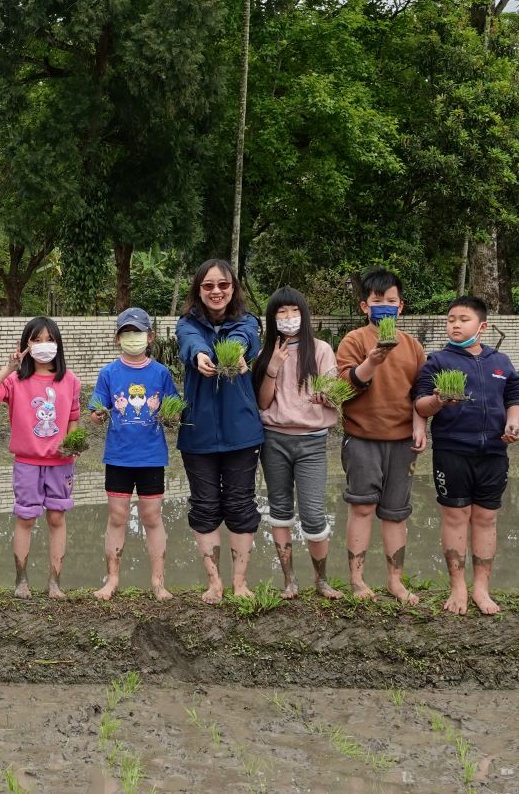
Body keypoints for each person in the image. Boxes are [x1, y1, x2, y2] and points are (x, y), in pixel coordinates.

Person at [413, 296, 519, 616]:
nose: (456, 324)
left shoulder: (500, 362)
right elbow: (420, 405)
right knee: (455, 517)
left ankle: (481, 588)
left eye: (463, 319)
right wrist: (437, 401)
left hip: (493, 451)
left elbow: (516, 401)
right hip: (452, 451)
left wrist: (513, 423)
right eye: (451, 319)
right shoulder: (437, 361)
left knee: (486, 519)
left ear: (482, 326)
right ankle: (457, 586)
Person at [335, 268, 428, 603]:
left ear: (401, 306)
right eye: (378, 301)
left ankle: (395, 580)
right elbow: (343, 387)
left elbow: (422, 391)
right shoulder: (354, 341)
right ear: (365, 306)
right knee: (361, 508)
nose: (385, 306)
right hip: (361, 438)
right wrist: (372, 361)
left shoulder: (413, 346)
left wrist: (420, 424)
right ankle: (357, 580)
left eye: (391, 301)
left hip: (402, 441)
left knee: (396, 512)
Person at [175, 259, 265, 604]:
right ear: (198, 290)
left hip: (241, 431)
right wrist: (199, 355)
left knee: (241, 504)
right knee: (204, 505)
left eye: (223, 285)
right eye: (209, 285)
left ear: (233, 289)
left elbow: (247, 338)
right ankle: (215, 582)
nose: (216, 291)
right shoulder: (187, 324)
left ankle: (240, 582)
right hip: (198, 434)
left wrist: (238, 351)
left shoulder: (247, 323)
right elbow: (190, 341)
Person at [0, 317, 81, 598]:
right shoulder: (16, 380)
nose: (44, 345)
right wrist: (8, 368)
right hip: (26, 462)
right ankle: (21, 580)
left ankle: (54, 582)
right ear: (26, 345)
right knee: (25, 519)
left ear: (58, 345)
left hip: (61, 464)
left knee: (57, 518)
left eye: (50, 339)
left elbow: (73, 418)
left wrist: (73, 444)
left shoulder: (70, 380)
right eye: (37, 340)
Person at [86, 308, 178, 602]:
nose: (133, 338)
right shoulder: (108, 373)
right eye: (127, 332)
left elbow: (174, 412)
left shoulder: (161, 373)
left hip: (151, 457)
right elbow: (95, 414)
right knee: (117, 516)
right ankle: (112, 579)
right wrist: (99, 414)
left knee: (152, 517)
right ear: (118, 338)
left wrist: (169, 416)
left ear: (150, 337)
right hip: (118, 457)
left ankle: (158, 582)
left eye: (138, 332)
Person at [254, 287, 341, 600]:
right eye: (281, 312)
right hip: (274, 440)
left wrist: (326, 396)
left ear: (304, 315)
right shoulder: (266, 354)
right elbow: (263, 403)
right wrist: (273, 367)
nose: (288, 318)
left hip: (312, 443)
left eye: (294, 311)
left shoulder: (320, 350)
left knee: (314, 514)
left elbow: (334, 398)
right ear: (272, 318)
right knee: (279, 509)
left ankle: (322, 579)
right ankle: (289, 580)